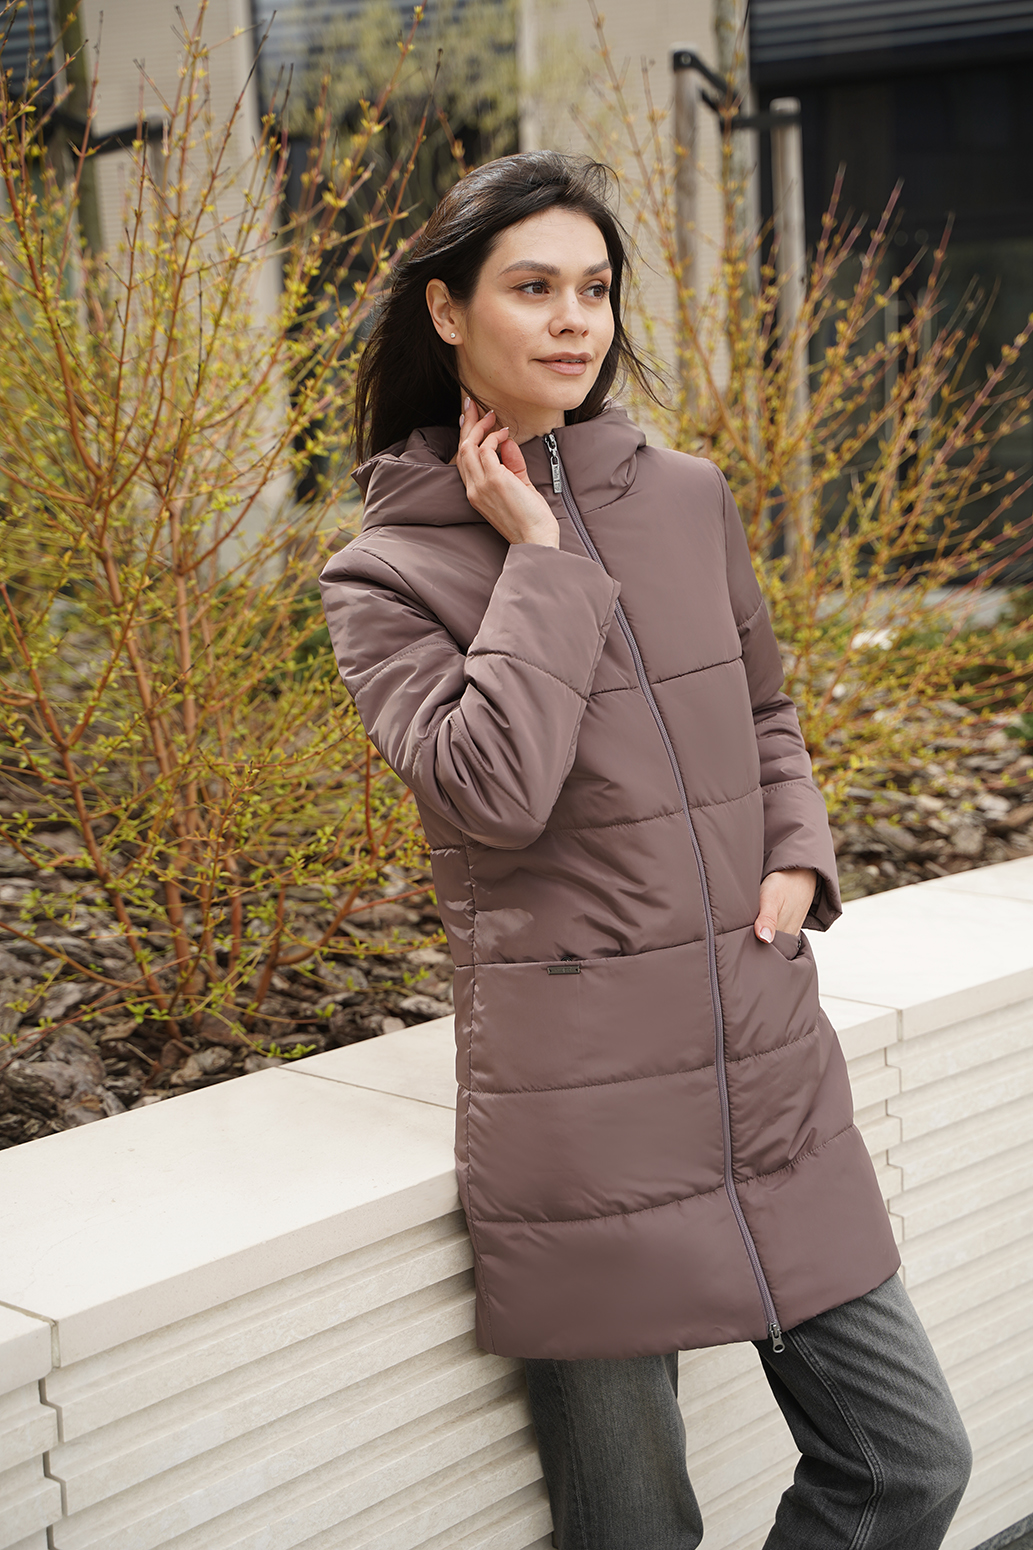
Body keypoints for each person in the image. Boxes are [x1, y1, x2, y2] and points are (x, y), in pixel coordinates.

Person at [319, 151, 971, 1550]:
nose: (574, 320)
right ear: (446, 310)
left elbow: (765, 709)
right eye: (531, 287)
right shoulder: (383, 572)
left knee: (909, 1464)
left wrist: (794, 852)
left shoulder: (687, 496)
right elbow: (490, 792)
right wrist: (540, 555)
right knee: (633, 1534)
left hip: (764, 1060)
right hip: (584, 1106)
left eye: (595, 288)